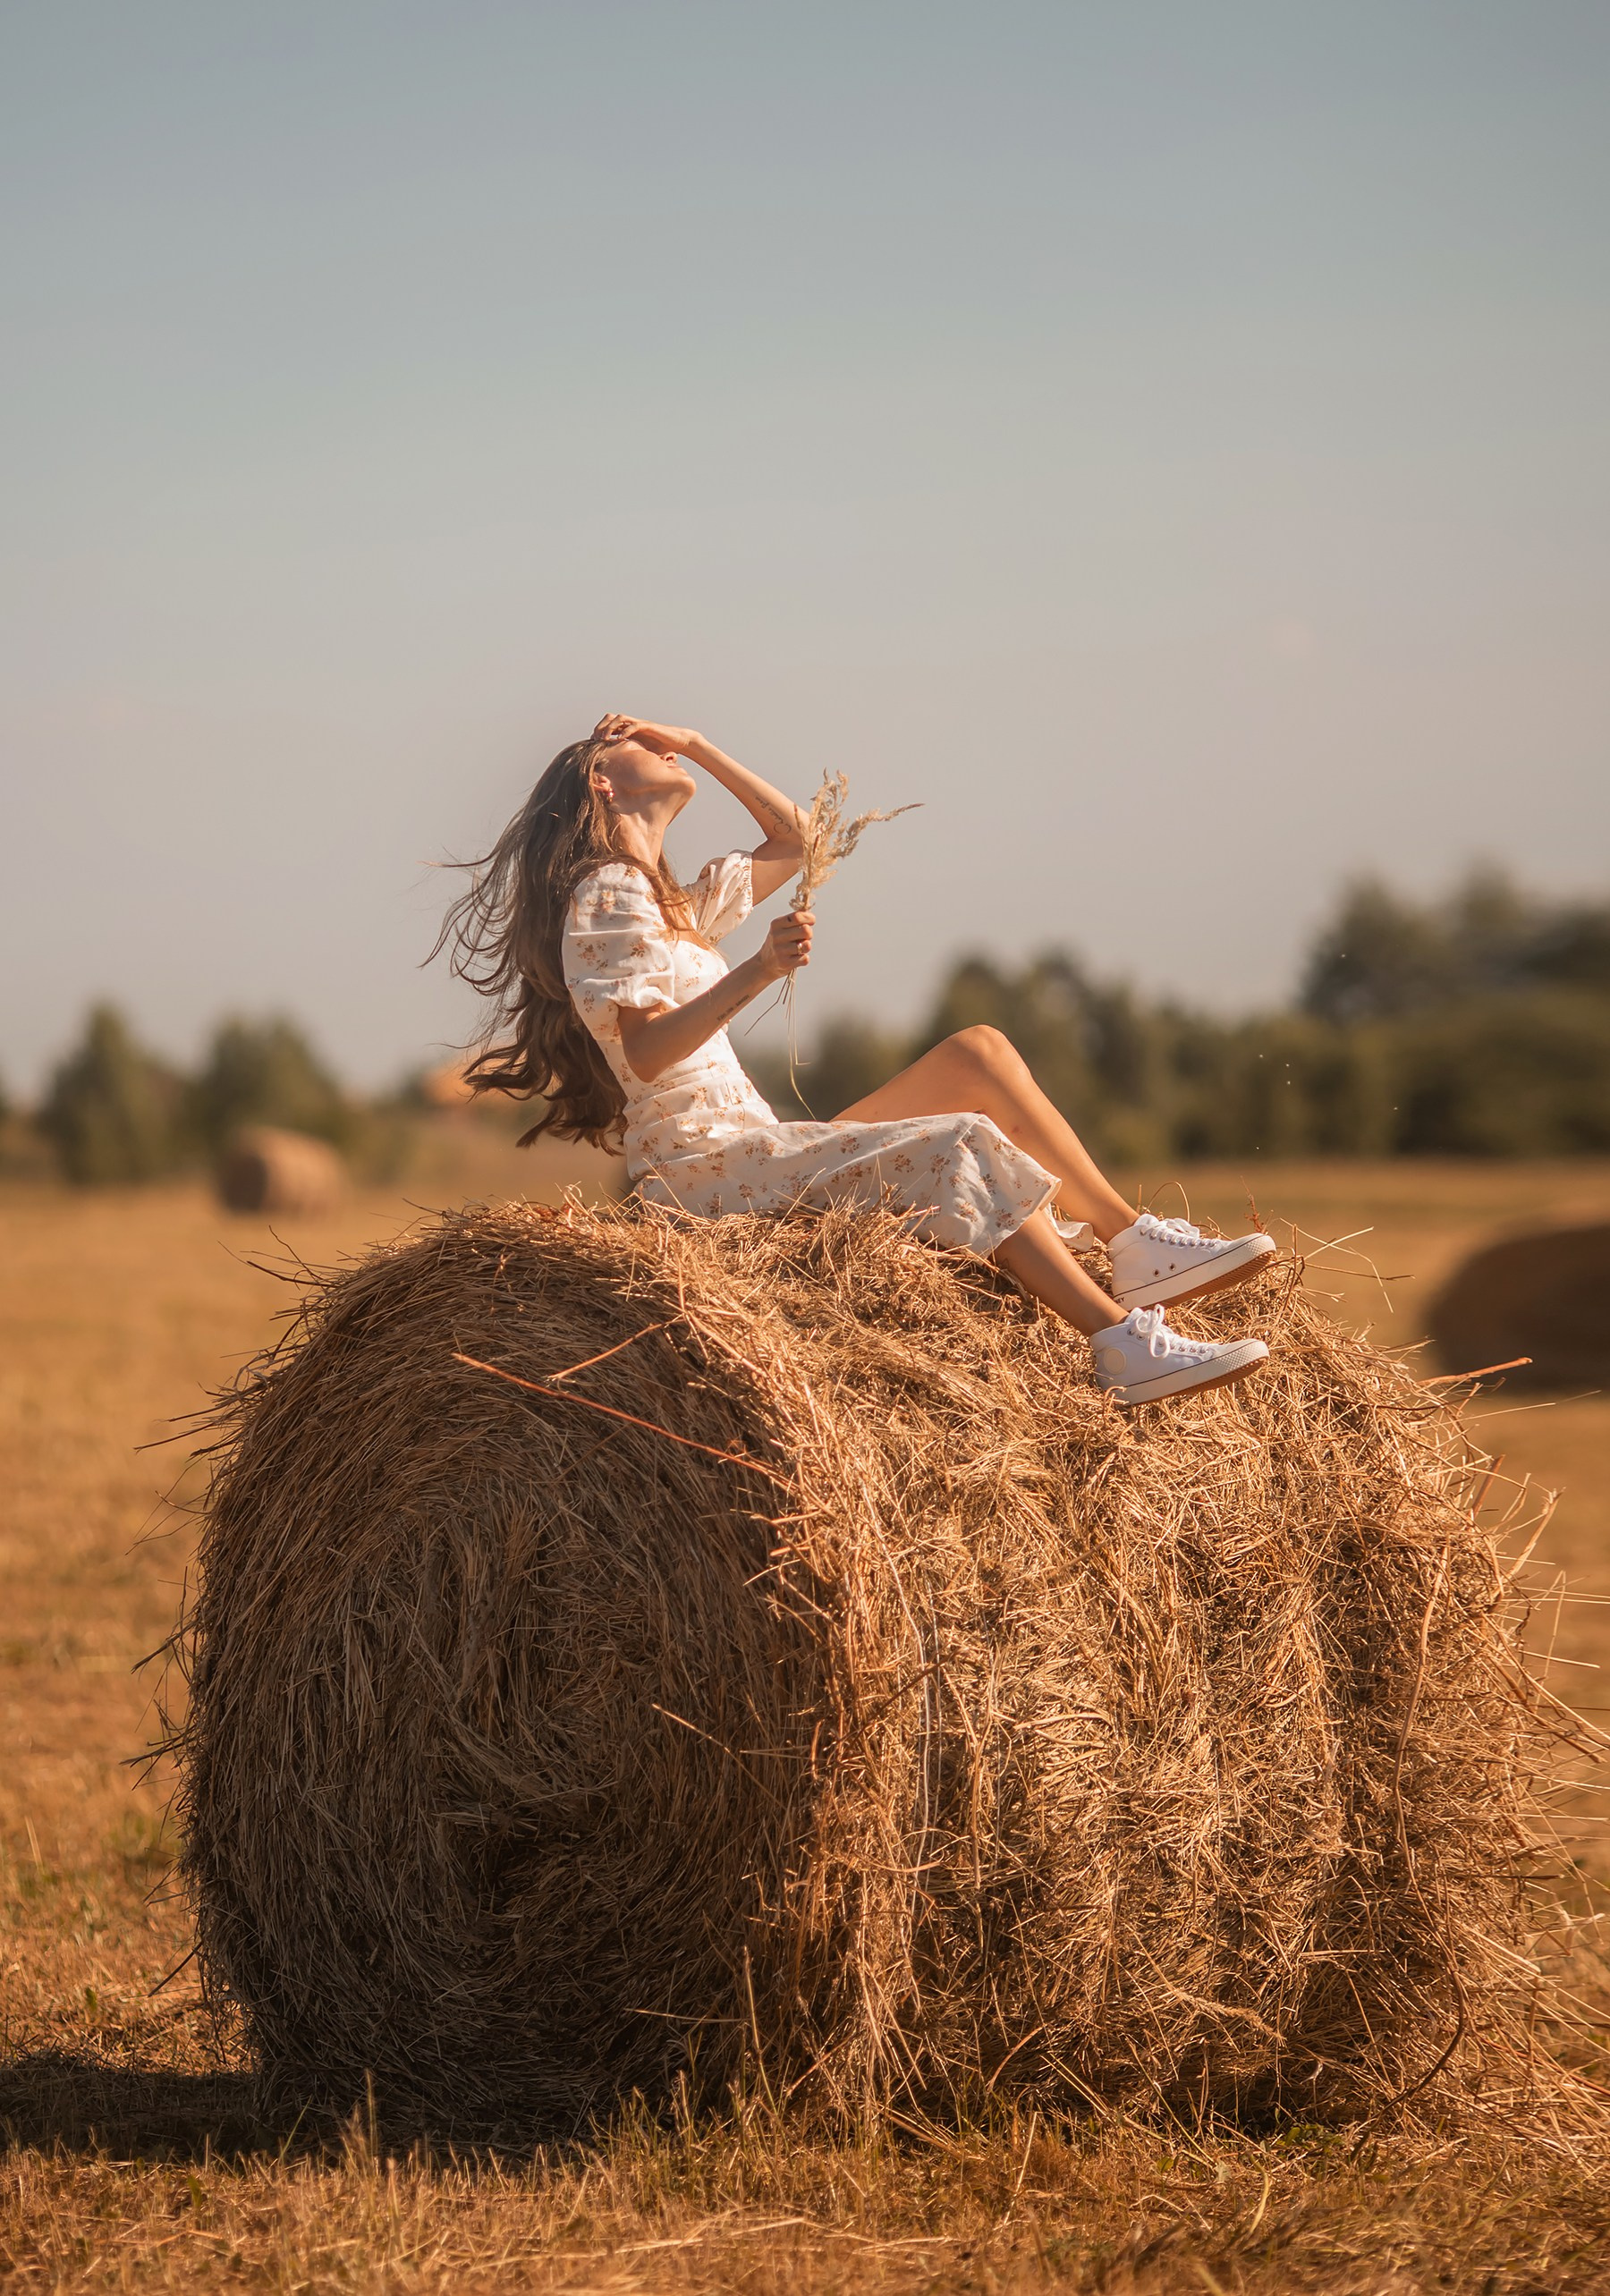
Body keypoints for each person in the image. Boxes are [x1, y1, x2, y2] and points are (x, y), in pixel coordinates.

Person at [437, 716, 1275, 1405]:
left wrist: (694, 746)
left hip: (756, 1151)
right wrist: (760, 969)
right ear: (601, 782)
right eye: (637, 743)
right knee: (961, 1140)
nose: (660, 746)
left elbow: (796, 838)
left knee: (976, 1055)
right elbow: (649, 1053)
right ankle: (1115, 1343)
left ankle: (1128, 1241)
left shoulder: (672, 905)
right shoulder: (608, 892)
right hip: (702, 1173)